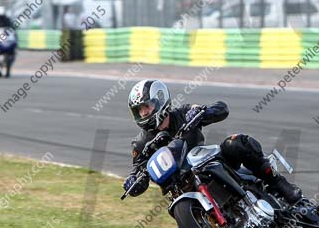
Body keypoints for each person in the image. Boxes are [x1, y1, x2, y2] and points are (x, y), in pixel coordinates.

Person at [123, 79, 302, 204]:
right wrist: (132, 181)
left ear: (159, 101)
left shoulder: (182, 114)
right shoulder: (140, 145)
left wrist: (203, 112)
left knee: (235, 143)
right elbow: (138, 175)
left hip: (209, 164)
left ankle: (278, 182)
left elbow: (222, 109)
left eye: (147, 106)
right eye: (139, 110)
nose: (144, 112)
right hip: (182, 188)